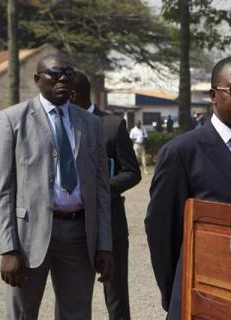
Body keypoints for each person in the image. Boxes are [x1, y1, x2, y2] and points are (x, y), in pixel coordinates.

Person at [145, 56, 231, 319]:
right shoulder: (182, 152)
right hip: (202, 292)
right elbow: (162, 231)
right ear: (213, 95)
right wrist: (176, 287)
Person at [0, 54, 113, 319]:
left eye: (69, 74)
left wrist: (104, 244)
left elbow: (101, 190)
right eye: (55, 73)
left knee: (77, 313)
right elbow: (3, 191)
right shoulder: (12, 121)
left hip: (79, 235)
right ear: (38, 80)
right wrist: (8, 248)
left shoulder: (91, 124)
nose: (63, 79)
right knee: (22, 314)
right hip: (29, 239)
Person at [71, 71, 141, 320]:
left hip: (110, 226)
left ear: (73, 95)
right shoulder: (58, 126)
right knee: (71, 299)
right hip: (71, 228)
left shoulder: (111, 125)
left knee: (116, 298)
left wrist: (99, 189)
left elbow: (133, 173)